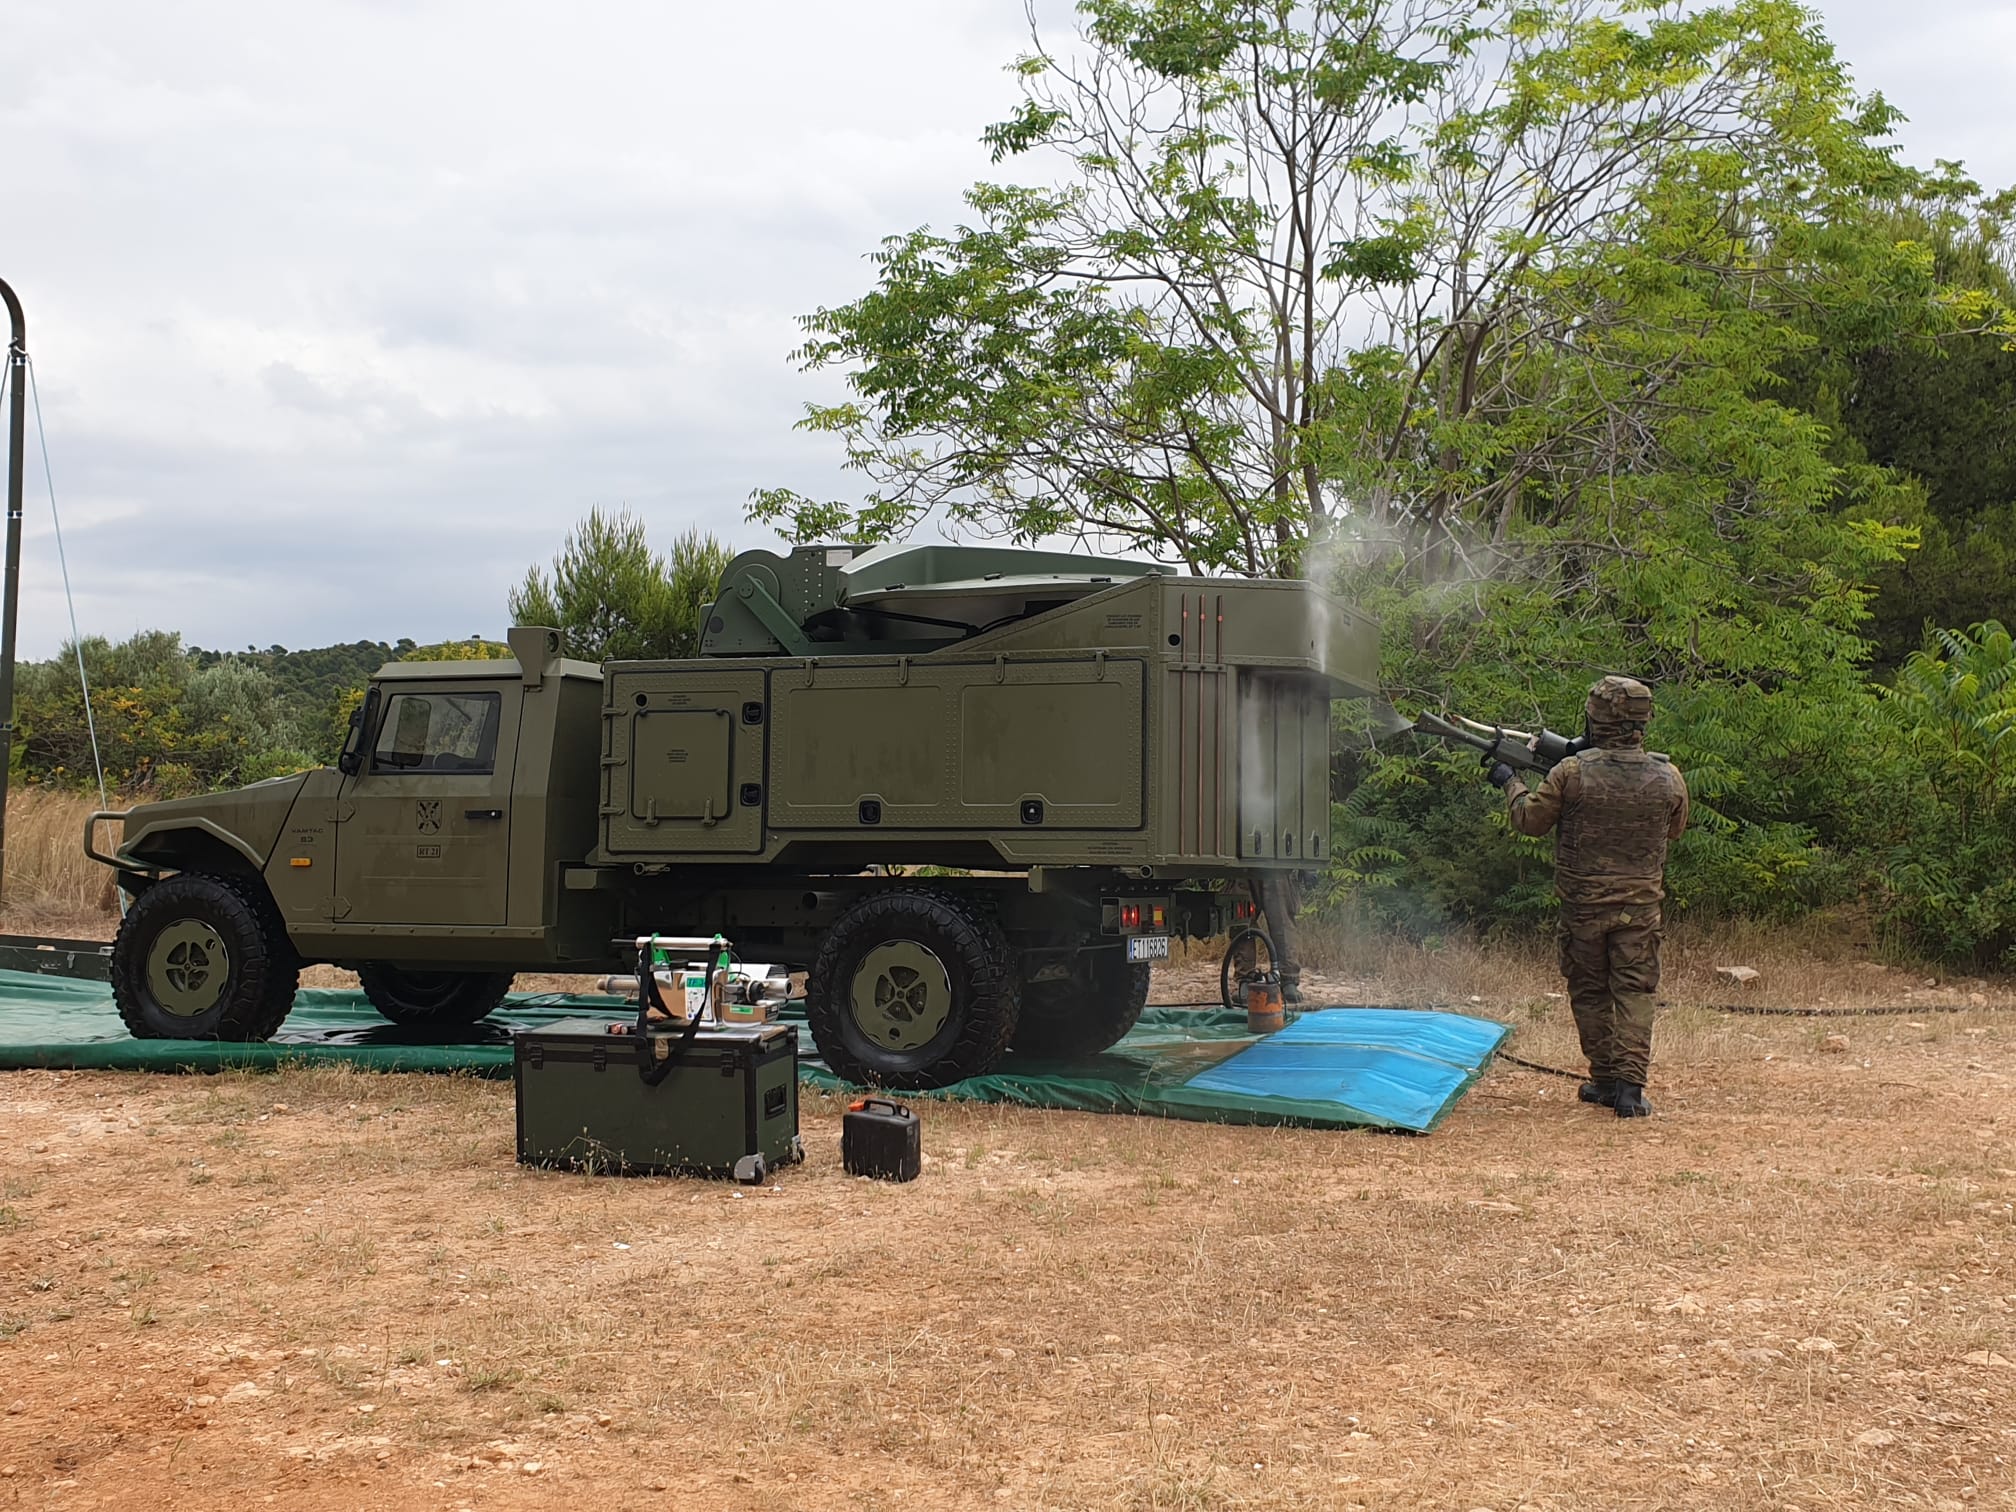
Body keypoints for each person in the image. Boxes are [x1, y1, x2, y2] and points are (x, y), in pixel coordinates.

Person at [1483, 676, 1688, 1118]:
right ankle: (1631, 1091)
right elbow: (1674, 829)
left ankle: (1606, 1079)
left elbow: (1529, 821)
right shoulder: (1668, 776)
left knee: (1591, 991)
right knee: (1635, 992)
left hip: (1584, 908)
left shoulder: (1571, 773)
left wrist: (1509, 781)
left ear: (1595, 721)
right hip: (1640, 908)